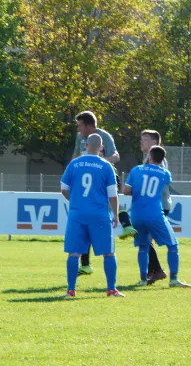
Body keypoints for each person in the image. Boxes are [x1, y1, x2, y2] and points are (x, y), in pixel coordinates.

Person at [72, 111, 136, 276]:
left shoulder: (103, 136)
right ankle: (85, 265)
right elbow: (76, 155)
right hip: (87, 176)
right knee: (87, 218)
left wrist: (100, 162)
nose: (79, 129)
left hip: (104, 175)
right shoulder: (80, 138)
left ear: (89, 125)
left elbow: (116, 156)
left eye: (80, 126)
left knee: (108, 201)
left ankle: (126, 224)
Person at [61, 133, 124, 297]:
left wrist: (75, 201)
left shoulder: (74, 164)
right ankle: (111, 289)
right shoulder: (106, 166)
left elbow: (64, 188)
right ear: (101, 148)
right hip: (99, 214)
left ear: (86, 146)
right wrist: (116, 214)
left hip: (77, 214)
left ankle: (71, 290)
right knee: (108, 252)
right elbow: (112, 194)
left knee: (74, 253)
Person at [124, 145, 191, 288]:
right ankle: (174, 279)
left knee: (143, 246)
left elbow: (126, 191)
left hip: (137, 215)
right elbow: (164, 186)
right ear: (162, 159)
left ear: (149, 156)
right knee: (173, 245)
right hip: (155, 214)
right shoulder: (165, 174)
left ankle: (143, 279)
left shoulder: (136, 170)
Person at [139, 129, 171, 285]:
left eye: (144, 139)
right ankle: (154, 271)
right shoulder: (148, 158)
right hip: (154, 206)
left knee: (144, 240)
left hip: (157, 206)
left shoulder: (158, 161)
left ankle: (157, 271)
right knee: (145, 240)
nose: (141, 142)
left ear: (153, 143)